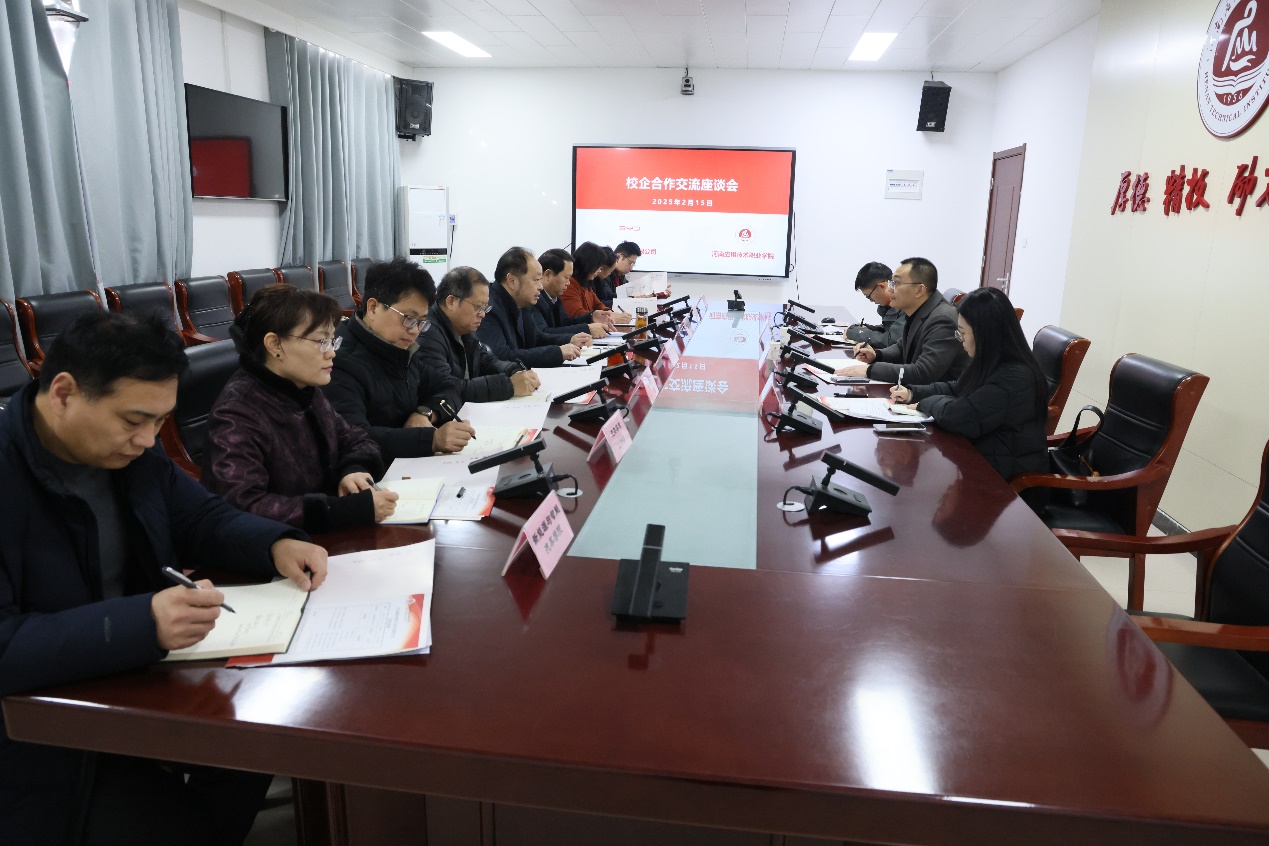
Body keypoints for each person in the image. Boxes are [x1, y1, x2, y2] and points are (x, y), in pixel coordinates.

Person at [0, 311, 328, 845]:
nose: (149, 440)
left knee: (260, 738)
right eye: (134, 421)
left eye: (160, 422)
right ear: (62, 393)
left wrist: (274, 543)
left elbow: (200, 517)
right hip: (40, 731)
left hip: (132, 677)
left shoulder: (132, 453)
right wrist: (141, 623)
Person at [203, 285, 399, 531]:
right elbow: (241, 506)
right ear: (275, 344)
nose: (331, 353)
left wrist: (354, 470)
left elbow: (355, 439)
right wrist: (342, 511)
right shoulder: (237, 414)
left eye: (332, 341)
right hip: (279, 547)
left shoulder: (303, 389)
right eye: (321, 341)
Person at [889, 287, 1048, 511]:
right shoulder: (991, 360)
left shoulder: (1014, 376)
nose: (960, 340)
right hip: (985, 461)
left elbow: (960, 416)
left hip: (1010, 485)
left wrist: (925, 404)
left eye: (963, 333)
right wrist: (914, 393)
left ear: (984, 334)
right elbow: (957, 388)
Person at [324, 257, 476, 461]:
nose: (415, 331)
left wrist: (425, 413)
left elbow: (450, 386)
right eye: (408, 318)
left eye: (422, 322)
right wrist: (431, 440)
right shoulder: (339, 362)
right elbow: (353, 437)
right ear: (373, 308)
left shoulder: (400, 349)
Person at [417, 266, 541, 402]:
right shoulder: (427, 334)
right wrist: (509, 385)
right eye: (478, 307)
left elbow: (487, 361)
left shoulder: (463, 328)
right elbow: (448, 388)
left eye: (485, 308)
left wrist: (514, 371)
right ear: (451, 301)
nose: (482, 314)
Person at [836, 257, 967, 384]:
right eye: (891, 283)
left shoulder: (942, 319)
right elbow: (902, 347)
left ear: (919, 290)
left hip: (940, 395)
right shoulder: (920, 309)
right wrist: (876, 355)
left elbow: (923, 372)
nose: (890, 289)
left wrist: (870, 370)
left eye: (896, 283)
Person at [477, 246, 588, 367]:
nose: (541, 286)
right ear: (512, 281)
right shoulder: (488, 310)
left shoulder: (522, 304)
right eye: (536, 280)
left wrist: (570, 340)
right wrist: (557, 353)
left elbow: (537, 339)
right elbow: (501, 357)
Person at [532, 247, 609, 341]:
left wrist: (591, 317)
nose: (568, 283)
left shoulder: (555, 297)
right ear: (548, 274)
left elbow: (565, 323)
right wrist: (587, 329)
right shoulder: (534, 299)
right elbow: (544, 333)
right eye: (566, 277)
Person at [559, 241, 633, 323]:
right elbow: (578, 315)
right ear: (589, 265)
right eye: (598, 267)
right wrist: (609, 318)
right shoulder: (570, 284)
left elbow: (598, 305)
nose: (599, 271)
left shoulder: (587, 284)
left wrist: (611, 313)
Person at [846, 261, 906, 348]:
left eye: (869, 296)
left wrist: (857, 333)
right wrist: (866, 328)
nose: (871, 301)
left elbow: (892, 341)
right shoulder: (889, 305)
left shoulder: (906, 303)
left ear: (881, 286)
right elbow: (891, 330)